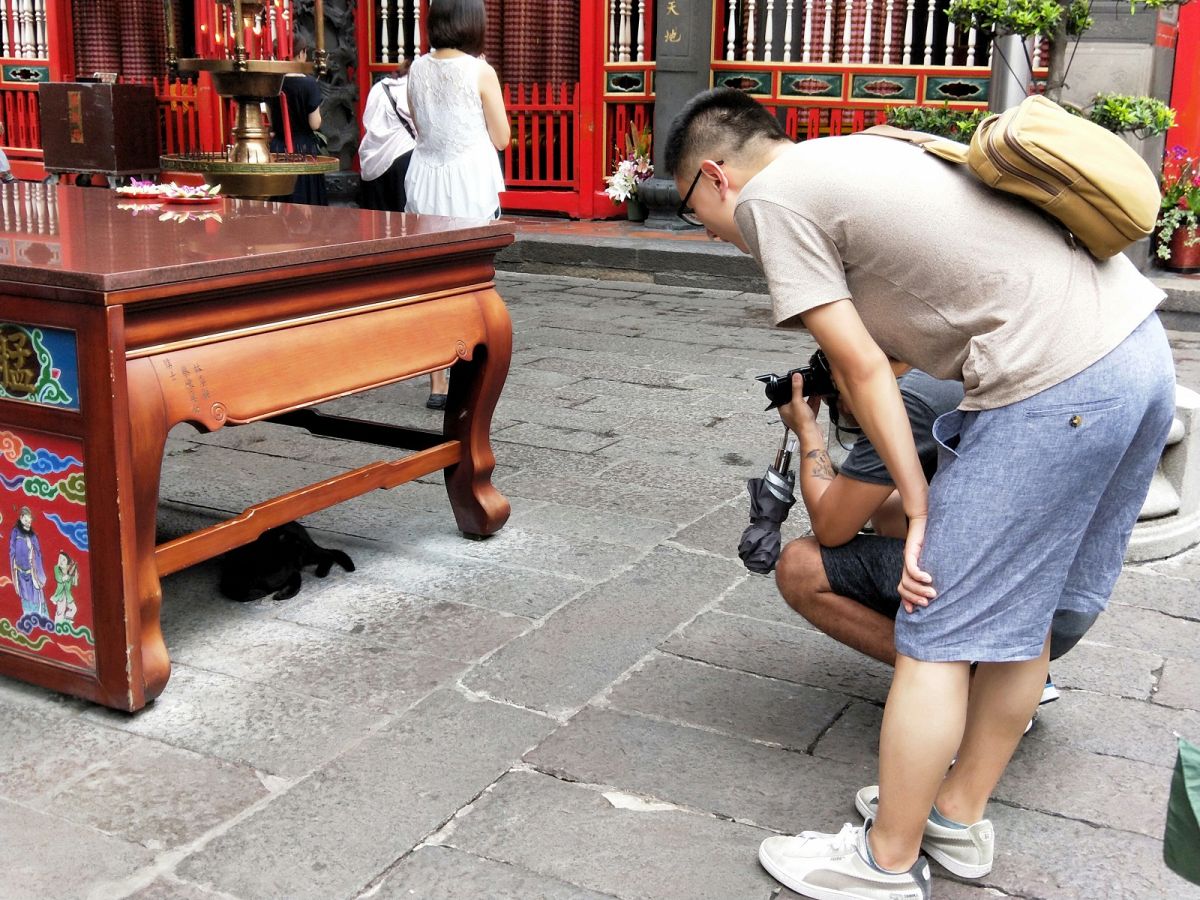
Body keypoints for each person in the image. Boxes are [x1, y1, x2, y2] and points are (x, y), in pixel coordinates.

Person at [666, 87, 1174, 899]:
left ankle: (884, 861)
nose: (714, 232)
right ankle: (956, 819)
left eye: (696, 211)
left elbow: (865, 369)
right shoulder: (868, 146)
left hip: (1054, 381)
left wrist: (921, 504)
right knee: (1022, 609)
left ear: (716, 179)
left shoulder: (774, 202)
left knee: (937, 621)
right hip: (1137, 356)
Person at [777, 368, 1076, 705]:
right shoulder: (944, 369)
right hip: (1061, 600)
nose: (845, 411)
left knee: (799, 567)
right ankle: (1010, 666)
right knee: (886, 504)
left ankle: (987, 690)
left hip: (1014, 604)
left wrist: (808, 431)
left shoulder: (908, 400)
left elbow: (830, 527)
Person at [404, 0, 509, 409]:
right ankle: (469, 361)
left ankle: (437, 381)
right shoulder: (480, 71)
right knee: (470, 277)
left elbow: (419, 124)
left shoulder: (415, 69)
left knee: (431, 278)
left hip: (426, 174)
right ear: (472, 23)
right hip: (467, 178)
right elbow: (500, 137)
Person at [267, 37, 327, 206]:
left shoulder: (273, 83)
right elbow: (314, 124)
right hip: (303, 147)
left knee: (281, 198)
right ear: (301, 53)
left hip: (279, 147)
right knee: (306, 198)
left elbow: (272, 120)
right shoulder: (309, 84)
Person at [358, 61, 417, 212]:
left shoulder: (379, 88)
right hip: (403, 154)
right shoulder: (409, 89)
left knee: (377, 219)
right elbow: (418, 123)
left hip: (372, 158)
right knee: (403, 217)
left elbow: (368, 119)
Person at [9, 506, 47, 623]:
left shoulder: (33, 536)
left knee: (35, 598)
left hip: (32, 573)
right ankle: (28, 620)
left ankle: (39, 620)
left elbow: (38, 553)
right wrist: (14, 563)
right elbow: (12, 551)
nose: (28, 523)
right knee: (25, 599)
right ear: (21, 518)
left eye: (30, 521)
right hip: (20, 573)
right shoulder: (15, 533)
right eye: (26, 520)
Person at [51, 550, 78, 628]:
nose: (61, 561)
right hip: (61, 595)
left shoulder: (69, 572)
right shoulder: (56, 569)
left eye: (63, 560)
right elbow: (59, 579)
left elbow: (74, 583)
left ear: (67, 564)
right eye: (60, 558)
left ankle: (66, 623)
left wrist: (74, 574)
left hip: (68, 596)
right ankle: (58, 627)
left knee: (73, 609)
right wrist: (67, 575)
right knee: (60, 611)